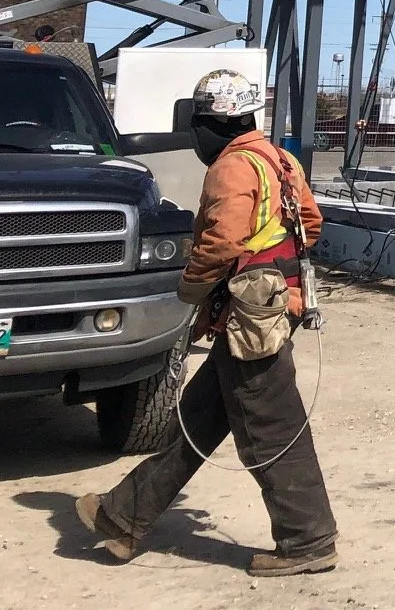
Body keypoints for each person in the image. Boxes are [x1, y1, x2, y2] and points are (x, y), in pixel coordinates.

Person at [76, 70, 339, 577]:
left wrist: (190, 293)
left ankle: (308, 540)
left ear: (211, 124)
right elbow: (310, 222)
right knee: (198, 419)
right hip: (268, 308)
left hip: (248, 315)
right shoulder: (280, 160)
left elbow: (221, 242)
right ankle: (124, 516)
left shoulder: (232, 166)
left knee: (271, 426)